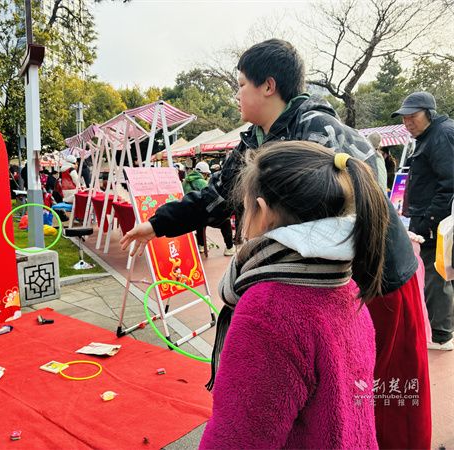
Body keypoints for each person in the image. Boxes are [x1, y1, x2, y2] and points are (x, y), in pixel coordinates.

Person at [120, 39, 430, 449]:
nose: (236, 95)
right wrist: (158, 224)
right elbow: (218, 195)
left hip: (370, 282)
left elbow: (365, 193)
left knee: (378, 404)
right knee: (332, 410)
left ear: (268, 85)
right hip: (321, 289)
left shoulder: (320, 132)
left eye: (241, 84)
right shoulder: (255, 138)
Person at [200, 141, 384, 449]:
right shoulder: (346, 285)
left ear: (262, 213)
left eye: (244, 209)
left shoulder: (268, 310)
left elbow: (236, 439)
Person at [392, 91, 454, 351]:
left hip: (437, 221)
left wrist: (429, 220)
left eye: (412, 116)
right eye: (404, 118)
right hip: (432, 218)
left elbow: (449, 184)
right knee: (442, 270)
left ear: (429, 113)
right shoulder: (431, 135)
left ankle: (441, 335)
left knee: (436, 273)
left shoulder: (441, 135)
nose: (407, 122)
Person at [183, 162, 235, 256]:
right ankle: (229, 247)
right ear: (204, 173)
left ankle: (201, 245)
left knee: (199, 221)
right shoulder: (202, 182)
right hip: (204, 216)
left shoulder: (185, 182)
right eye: (206, 174)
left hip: (191, 215)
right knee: (225, 221)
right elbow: (211, 197)